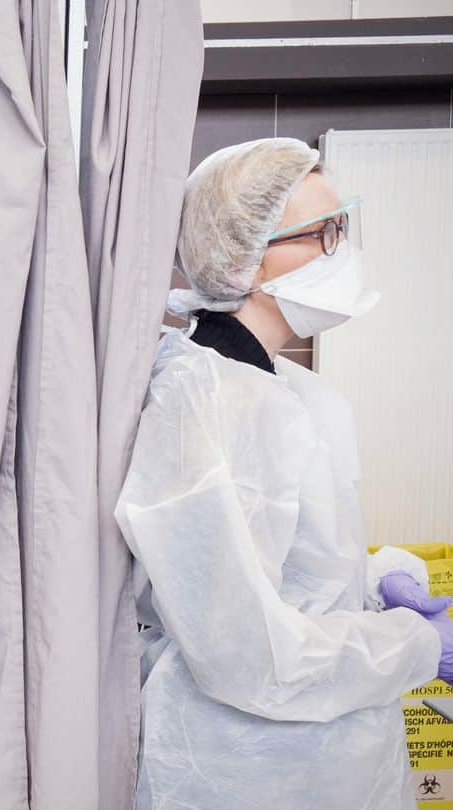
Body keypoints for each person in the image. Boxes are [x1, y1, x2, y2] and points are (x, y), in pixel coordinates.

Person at [115, 138, 453, 809]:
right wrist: (415, 647)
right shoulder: (199, 403)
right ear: (243, 261)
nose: (340, 250)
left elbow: (294, 558)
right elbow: (245, 651)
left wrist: (379, 579)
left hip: (335, 752)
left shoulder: (290, 390)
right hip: (243, 768)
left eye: (342, 227)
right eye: (321, 233)